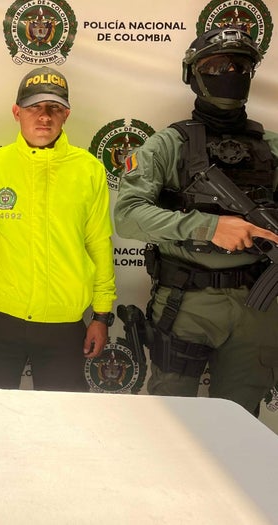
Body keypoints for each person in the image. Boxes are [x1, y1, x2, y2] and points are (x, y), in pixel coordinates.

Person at [114, 28, 278, 414]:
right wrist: (209, 227)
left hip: (257, 307)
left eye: (240, 65)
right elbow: (128, 215)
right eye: (217, 65)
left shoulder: (271, 147)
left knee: (240, 421)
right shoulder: (169, 145)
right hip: (187, 304)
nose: (230, 73)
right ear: (193, 74)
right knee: (173, 421)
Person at [0, 65, 117, 391]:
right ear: (16, 112)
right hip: (0, 319)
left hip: (64, 324)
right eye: (34, 107)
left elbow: (99, 243)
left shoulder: (89, 170)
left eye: (54, 108)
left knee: (62, 416)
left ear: (66, 114)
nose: (44, 117)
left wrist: (101, 316)